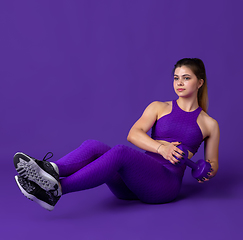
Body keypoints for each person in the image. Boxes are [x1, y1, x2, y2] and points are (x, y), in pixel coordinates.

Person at [13, 58, 220, 211]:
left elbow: (212, 163)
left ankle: (55, 190)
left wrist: (207, 170)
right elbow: (133, 134)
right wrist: (161, 147)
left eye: (186, 78)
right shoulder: (159, 107)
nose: (179, 83)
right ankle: (51, 169)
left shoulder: (209, 124)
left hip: (163, 186)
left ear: (199, 83)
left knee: (120, 152)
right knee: (93, 145)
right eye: (176, 78)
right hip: (132, 185)